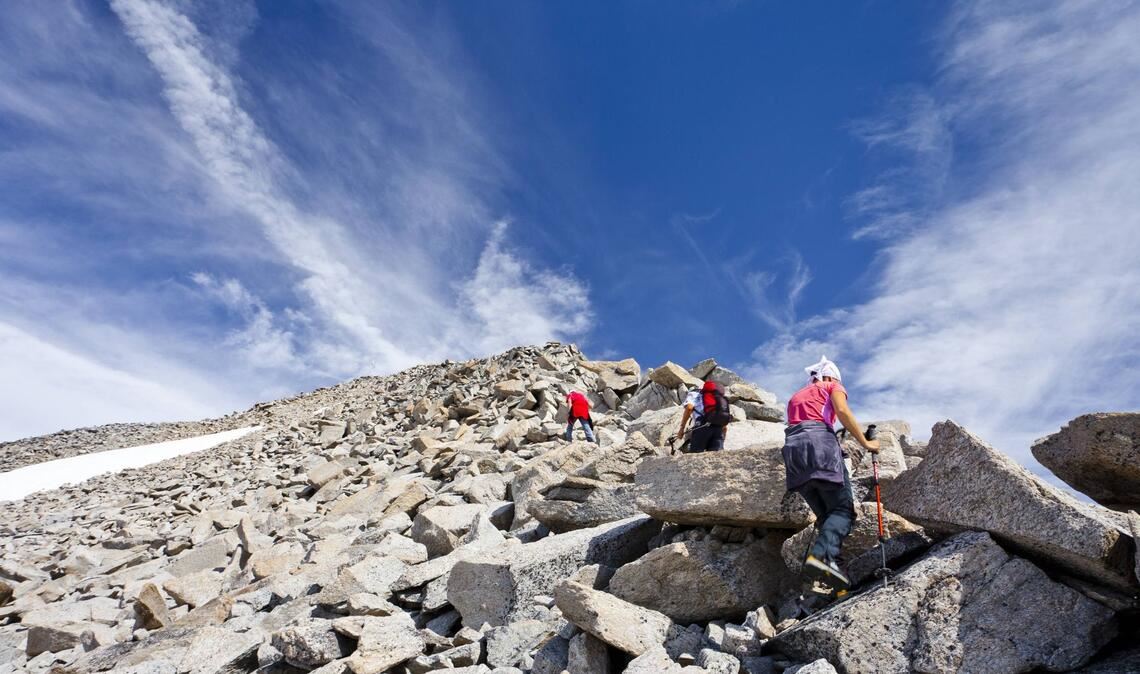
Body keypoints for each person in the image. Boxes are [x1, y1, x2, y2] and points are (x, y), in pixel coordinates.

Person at [781, 356, 879, 588]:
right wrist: (866, 443)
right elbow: (842, 411)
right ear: (829, 377)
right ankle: (818, 558)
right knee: (843, 510)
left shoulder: (796, 396)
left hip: (793, 453)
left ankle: (834, 568)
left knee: (827, 517)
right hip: (820, 446)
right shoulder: (832, 386)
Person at [676, 380, 730, 453]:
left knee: (695, 456)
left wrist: (682, 429)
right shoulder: (716, 397)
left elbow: (689, 408)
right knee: (716, 458)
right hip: (719, 427)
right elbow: (723, 418)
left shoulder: (693, 394)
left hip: (702, 426)